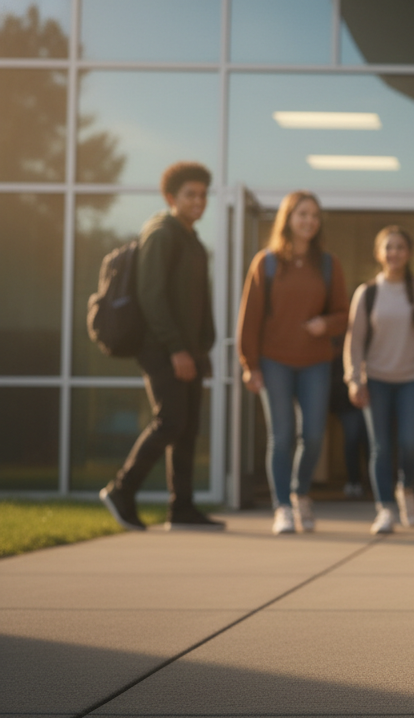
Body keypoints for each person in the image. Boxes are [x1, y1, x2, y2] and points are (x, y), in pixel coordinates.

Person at [100, 162, 224, 532]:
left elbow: (197, 302)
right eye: (191, 194)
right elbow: (151, 296)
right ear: (171, 197)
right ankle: (121, 490)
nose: (199, 201)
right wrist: (176, 349)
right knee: (170, 421)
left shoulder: (191, 237)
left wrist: (201, 348)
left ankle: (182, 508)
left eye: (203, 195)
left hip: (187, 350)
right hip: (161, 347)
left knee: (186, 428)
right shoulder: (161, 233)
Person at [237, 191, 349, 536]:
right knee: (281, 435)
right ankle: (282, 505)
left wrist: (325, 325)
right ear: (288, 219)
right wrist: (249, 364)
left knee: (313, 434)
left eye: (314, 215)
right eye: (302, 214)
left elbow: (345, 315)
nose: (309, 221)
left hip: (315, 361)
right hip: (274, 362)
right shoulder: (266, 263)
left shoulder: (328, 264)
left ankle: (301, 493)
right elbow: (249, 319)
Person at [346, 226, 414, 534]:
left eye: (400, 247)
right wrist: (354, 379)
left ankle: (407, 489)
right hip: (376, 379)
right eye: (388, 247)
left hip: (412, 379)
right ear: (379, 253)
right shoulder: (368, 293)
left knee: (411, 443)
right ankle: (385, 507)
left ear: (410, 253)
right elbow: (355, 339)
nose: (394, 253)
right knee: (381, 447)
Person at [328, 348, 369, 499]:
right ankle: (354, 481)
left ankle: (372, 483)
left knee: (370, 442)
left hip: (368, 401)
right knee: (352, 440)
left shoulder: (368, 349)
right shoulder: (338, 353)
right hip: (345, 404)